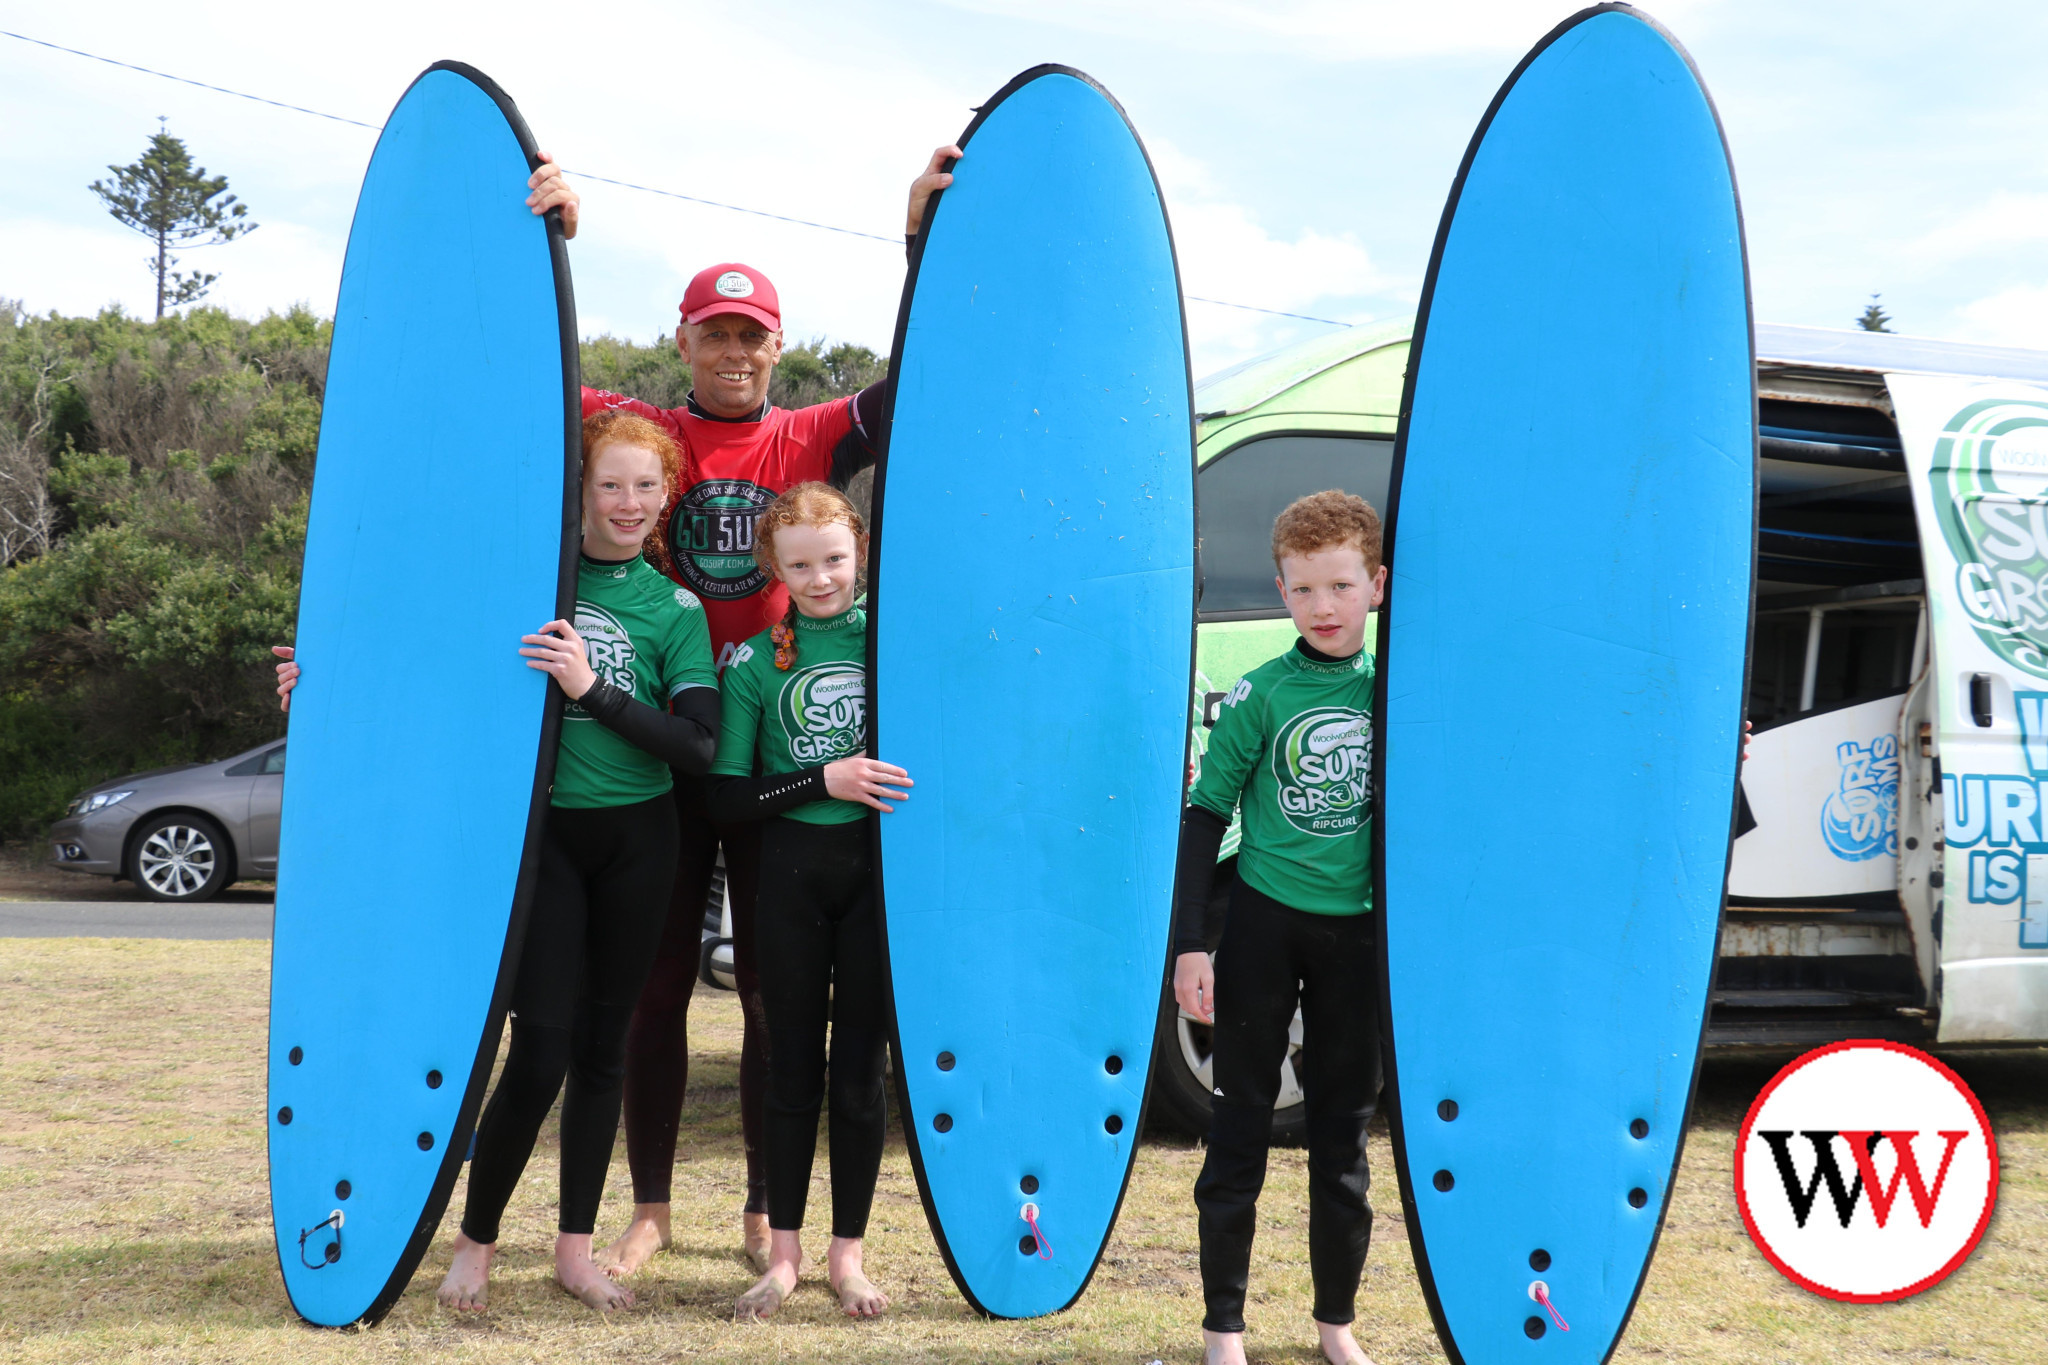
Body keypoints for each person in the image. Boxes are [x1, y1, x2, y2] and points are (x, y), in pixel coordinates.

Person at [518, 147, 958, 1277]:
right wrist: (547, 236)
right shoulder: (633, 428)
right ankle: (651, 1208)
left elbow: (926, 377)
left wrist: (918, 243)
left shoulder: (807, 435)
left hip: (768, 753)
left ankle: (769, 1207)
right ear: (684, 344)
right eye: (713, 335)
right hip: (657, 751)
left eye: (751, 335)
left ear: (776, 344)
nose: (733, 352)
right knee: (650, 992)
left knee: (774, 994)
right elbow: (517, 364)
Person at [275, 412, 720, 1312]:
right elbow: (414, 669)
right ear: (579, 491)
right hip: (544, 843)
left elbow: (698, 745)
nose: (628, 504)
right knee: (540, 1049)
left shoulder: (676, 609)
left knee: (605, 1053)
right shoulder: (525, 587)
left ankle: (575, 1250)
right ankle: (474, 1246)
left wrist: (591, 687)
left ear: (666, 493)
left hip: (640, 842)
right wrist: (317, 686)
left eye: (645, 486)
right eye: (609, 484)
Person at [1172, 489, 1387, 1365]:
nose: (1323, 607)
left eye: (1340, 586)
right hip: (1264, 928)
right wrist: (1192, 942)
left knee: (1343, 1142)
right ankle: (1225, 1327)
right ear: (1280, 589)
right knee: (1238, 1132)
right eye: (1302, 590)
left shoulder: (1402, 690)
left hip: (1362, 941)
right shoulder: (1262, 691)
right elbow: (1201, 815)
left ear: (1376, 583)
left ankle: (1335, 1324)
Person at [704, 481, 911, 1321]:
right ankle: (783, 1254)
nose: (821, 577)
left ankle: (847, 1255)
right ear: (774, 568)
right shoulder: (755, 663)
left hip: (877, 881)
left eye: (833, 558)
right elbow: (724, 800)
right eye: (800, 565)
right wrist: (820, 778)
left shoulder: (897, 643)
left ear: (859, 549)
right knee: (792, 1070)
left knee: (860, 1076)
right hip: (789, 879)